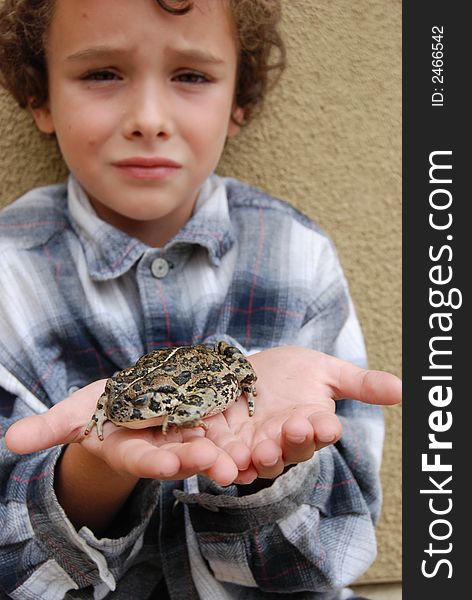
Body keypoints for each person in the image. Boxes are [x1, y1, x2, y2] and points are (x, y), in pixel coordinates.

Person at [0, 1, 401, 598]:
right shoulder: (11, 274)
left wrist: (275, 470)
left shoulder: (297, 254)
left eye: (191, 75)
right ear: (40, 95)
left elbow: (336, 546)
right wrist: (95, 468)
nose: (148, 118)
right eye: (101, 73)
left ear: (238, 98)